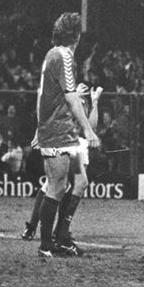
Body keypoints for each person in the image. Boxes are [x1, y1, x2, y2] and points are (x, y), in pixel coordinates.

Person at [31, 12, 101, 257]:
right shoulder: (65, 56)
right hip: (59, 130)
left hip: (58, 129)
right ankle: (46, 244)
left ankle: (59, 238)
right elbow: (70, 97)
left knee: (75, 182)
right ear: (77, 36)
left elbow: (44, 95)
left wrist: (38, 127)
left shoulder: (53, 55)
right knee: (57, 186)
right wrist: (89, 129)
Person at [22, 82, 102, 248]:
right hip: (65, 141)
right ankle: (54, 233)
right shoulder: (66, 98)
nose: (83, 86)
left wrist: (94, 102)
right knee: (62, 185)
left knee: (64, 185)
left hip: (77, 143)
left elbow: (91, 127)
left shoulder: (81, 103)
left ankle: (54, 232)